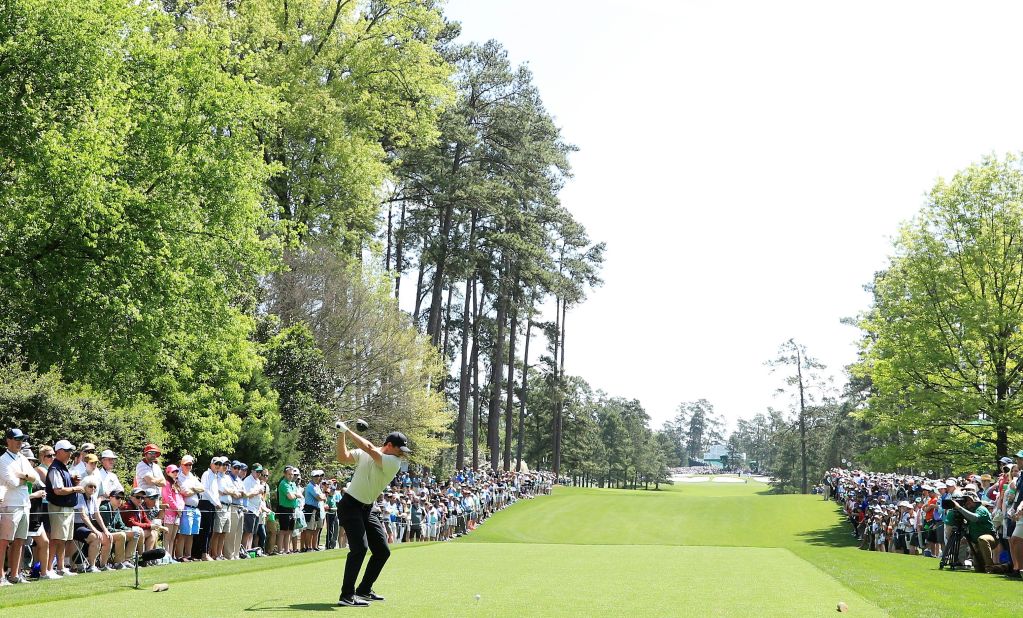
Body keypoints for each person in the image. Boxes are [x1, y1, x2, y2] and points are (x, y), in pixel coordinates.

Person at [334, 423, 410, 607]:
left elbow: (367, 447)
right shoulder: (370, 453)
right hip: (350, 505)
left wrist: (348, 430)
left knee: (382, 551)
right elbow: (342, 457)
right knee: (359, 549)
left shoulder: (394, 463)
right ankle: (347, 595)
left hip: (367, 508)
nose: (403, 454)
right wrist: (340, 434)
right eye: (400, 450)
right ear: (389, 445)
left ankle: (364, 590)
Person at [0, 428, 39, 585]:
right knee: (4, 542)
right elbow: (12, 482)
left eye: (21, 439)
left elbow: (34, 478)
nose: (19, 442)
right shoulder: (3, 460)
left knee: (20, 541)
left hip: (24, 504)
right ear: (8, 441)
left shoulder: (22, 458)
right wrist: (25, 478)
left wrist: (22, 475)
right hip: (10, 505)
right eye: (16, 439)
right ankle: (1, 576)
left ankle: (14, 575)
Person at [47, 439, 85, 578]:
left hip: (66, 507)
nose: (70, 454)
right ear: (59, 452)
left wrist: (72, 481)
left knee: (63, 539)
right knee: (56, 539)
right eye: (67, 451)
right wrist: (75, 488)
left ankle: (61, 568)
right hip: (58, 507)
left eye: (70, 451)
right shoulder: (55, 468)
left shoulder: (63, 467)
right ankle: (49, 569)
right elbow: (58, 490)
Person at [949, 491, 998, 573]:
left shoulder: (981, 509)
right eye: (966, 500)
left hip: (990, 538)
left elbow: (974, 518)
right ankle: (960, 562)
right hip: (977, 542)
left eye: (969, 500)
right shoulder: (969, 510)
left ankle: (990, 566)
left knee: (982, 539)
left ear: (975, 500)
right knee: (978, 568)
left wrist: (960, 508)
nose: (967, 502)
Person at [73, 477, 111, 572]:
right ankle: (92, 566)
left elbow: (97, 515)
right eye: (90, 486)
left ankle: (102, 565)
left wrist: (105, 530)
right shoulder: (79, 496)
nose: (93, 489)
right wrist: (95, 530)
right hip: (77, 526)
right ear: (84, 486)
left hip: (87, 526)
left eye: (95, 487)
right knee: (95, 537)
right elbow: (83, 516)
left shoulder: (93, 498)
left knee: (108, 537)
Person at [175, 455, 203, 562]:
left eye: (190, 464)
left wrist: (193, 489)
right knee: (183, 533)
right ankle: (180, 556)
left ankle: (188, 555)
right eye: (186, 464)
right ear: (181, 465)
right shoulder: (179, 475)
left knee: (191, 533)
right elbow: (184, 492)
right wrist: (195, 489)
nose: (189, 466)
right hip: (185, 507)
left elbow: (202, 488)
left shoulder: (191, 475)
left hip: (195, 508)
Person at [161, 464, 185, 563]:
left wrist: (181, 509)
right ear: (168, 473)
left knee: (173, 538)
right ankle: (166, 557)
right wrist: (177, 509)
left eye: (176, 471)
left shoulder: (176, 484)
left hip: (177, 514)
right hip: (170, 513)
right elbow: (168, 498)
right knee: (167, 537)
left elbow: (181, 498)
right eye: (173, 472)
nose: (175, 473)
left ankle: (170, 557)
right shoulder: (167, 483)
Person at [276, 466, 301, 555]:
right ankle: (280, 550)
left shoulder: (293, 484)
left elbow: (299, 495)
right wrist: (295, 495)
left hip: (292, 509)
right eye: (289, 474)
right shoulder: (283, 484)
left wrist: (295, 495)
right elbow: (290, 497)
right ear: (285, 474)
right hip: (284, 509)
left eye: (292, 474)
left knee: (290, 530)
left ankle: (287, 549)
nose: (291, 476)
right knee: (283, 530)